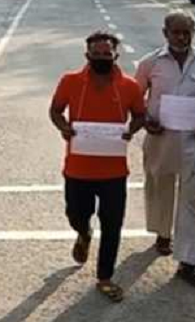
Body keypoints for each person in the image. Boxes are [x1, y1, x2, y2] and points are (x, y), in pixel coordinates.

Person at [49, 31, 146, 303]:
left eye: (107, 54)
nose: (102, 58)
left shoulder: (129, 86)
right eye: (97, 54)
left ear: (116, 55)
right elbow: (55, 110)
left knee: (112, 224)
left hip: (114, 171)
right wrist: (64, 127)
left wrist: (131, 130)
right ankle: (83, 233)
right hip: (78, 168)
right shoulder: (70, 81)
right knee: (76, 214)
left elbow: (140, 115)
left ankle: (105, 277)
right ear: (87, 55)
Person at [135, 11, 195, 289]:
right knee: (160, 189)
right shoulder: (150, 63)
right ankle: (163, 233)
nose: (182, 37)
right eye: (176, 32)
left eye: (187, 32)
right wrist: (145, 120)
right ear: (165, 33)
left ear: (193, 33)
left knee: (192, 202)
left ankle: (188, 262)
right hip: (161, 141)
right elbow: (134, 98)